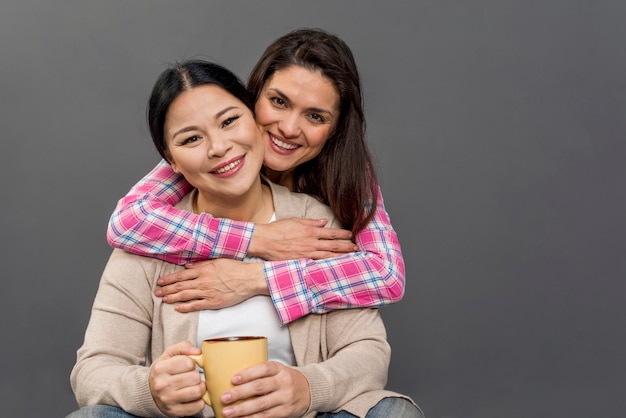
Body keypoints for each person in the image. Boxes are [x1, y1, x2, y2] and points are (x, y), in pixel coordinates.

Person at [68, 60, 423, 418]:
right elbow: (93, 370)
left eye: (229, 121)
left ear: (252, 122)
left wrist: (308, 388)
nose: (219, 147)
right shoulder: (151, 241)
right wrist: (151, 390)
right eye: (191, 139)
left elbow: (368, 345)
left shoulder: (318, 225)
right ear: (170, 159)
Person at [105, 28, 406, 325]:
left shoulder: (348, 172)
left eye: (315, 116)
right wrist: (259, 239)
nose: (289, 128)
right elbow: (129, 221)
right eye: (278, 102)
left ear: (335, 129)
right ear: (252, 96)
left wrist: (256, 277)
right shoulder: (218, 152)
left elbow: (386, 274)